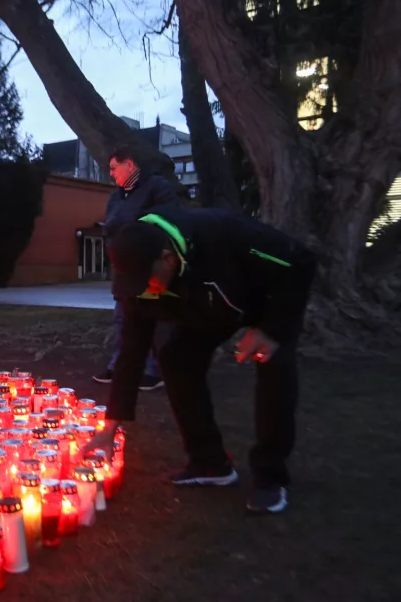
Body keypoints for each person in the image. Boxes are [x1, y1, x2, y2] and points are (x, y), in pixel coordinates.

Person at [83, 206, 316, 514]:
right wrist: (110, 426)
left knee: (275, 367)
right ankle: (210, 463)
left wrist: (271, 330)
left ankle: (270, 475)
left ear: (167, 258)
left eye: (147, 280)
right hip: (209, 309)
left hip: (267, 304)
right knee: (176, 358)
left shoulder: (224, 234)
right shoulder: (137, 288)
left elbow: (301, 262)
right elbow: (131, 353)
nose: (144, 291)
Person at [93, 149, 180, 391]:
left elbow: (169, 218)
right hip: (124, 264)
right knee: (123, 317)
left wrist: (134, 228)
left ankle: (155, 370)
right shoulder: (116, 197)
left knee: (153, 317)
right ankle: (121, 366)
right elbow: (112, 224)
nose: (111, 174)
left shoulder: (157, 187)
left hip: (150, 262)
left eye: (114, 168)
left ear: (129, 165)